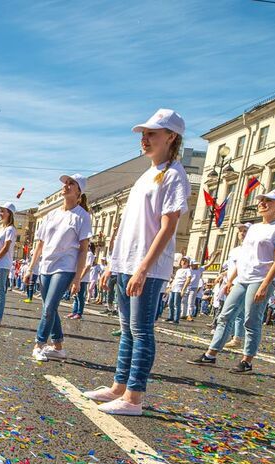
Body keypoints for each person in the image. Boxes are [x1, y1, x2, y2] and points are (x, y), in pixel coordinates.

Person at [83, 109, 190, 416]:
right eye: (144, 134)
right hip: (126, 263)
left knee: (141, 331)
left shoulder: (174, 175)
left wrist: (143, 268)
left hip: (148, 266)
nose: (144, 139)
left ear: (171, 137)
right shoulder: (146, 174)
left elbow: (168, 226)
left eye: (152, 133)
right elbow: (128, 225)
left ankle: (134, 398)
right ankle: (119, 387)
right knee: (127, 330)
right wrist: (112, 265)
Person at [188, 190, 275, 373]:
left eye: (269, 201)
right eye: (261, 200)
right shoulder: (255, 228)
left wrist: (265, 285)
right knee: (225, 315)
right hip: (243, 278)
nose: (262, 203)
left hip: (261, 279)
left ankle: (247, 361)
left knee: (251, 320)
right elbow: (245, 257)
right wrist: (231, 280)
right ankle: (210, 355)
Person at [26, 174, 91, 360]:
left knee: (49, 307)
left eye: (71, 184)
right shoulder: (51, 215)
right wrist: (30, 269)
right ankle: (59, 347)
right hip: (46, 265)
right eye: (66, 183)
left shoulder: (82, 216)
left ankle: (39, 344)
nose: (66, 186)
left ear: (79, 191)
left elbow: (83, 250)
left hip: (65, 267)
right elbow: (39, 244)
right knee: (50, 307)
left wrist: (77, 278)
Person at [68, 241, 95, 319]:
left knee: (80, 296)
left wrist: (79, 277)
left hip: (83, 278)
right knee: (76, 296)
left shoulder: (89, 254)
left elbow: (88, 266)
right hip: (78, 277)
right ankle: (74, 311)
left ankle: (79, 313)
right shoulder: (84, 253)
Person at [166, 257, 191, 324]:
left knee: (176, 304)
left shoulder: (188, 270)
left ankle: (176, 319)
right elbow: (175, 279)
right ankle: (170, 316)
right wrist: (170, 287)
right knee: (170, 303)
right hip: (174, 288)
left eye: (185, 261)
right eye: (182, 261)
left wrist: (183, 289)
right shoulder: (179, 270)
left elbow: (188, 279)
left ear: (188, 263)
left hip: (179, 288)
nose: (183, 262)